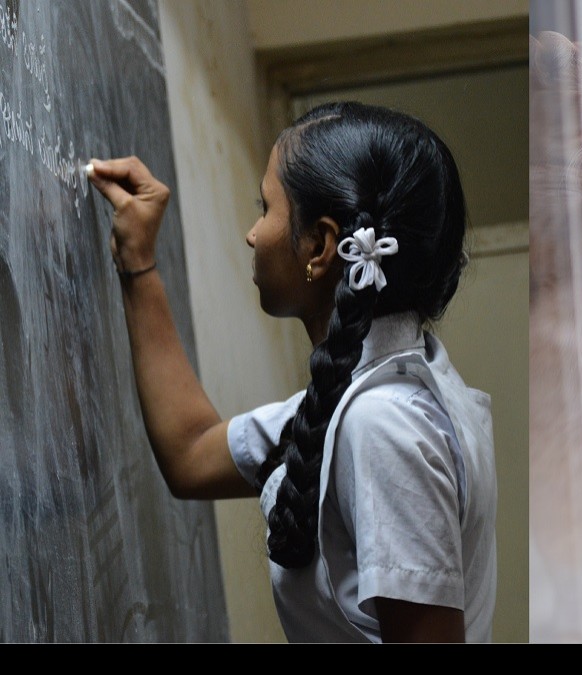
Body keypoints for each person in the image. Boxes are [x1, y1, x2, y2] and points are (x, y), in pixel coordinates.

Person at [86, 101, 497, 643]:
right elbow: (191, 453)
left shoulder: (384, 425)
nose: (252, 235)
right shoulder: (372, 393)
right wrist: (138, 261)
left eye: (266, 207)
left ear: (321, 246)